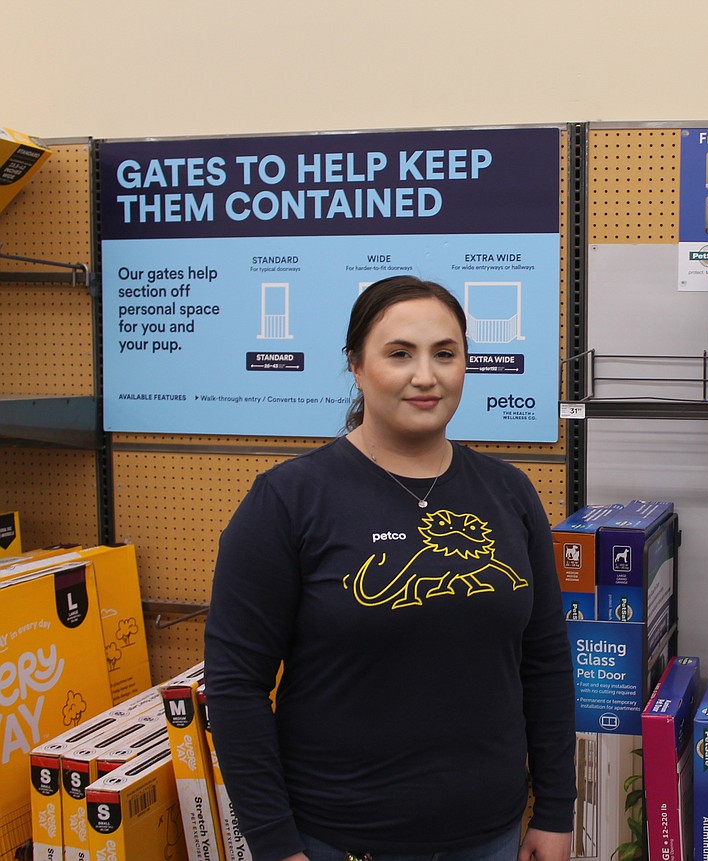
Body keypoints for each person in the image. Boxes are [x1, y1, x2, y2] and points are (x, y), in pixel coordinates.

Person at [204, 276, 576, 861]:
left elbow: (547, 661)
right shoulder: (287, 501)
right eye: (399, 353)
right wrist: (276, 845)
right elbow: (235, 687)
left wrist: (555, 810)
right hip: (335, 840)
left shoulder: (510, 493)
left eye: (445, 354)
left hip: (492, 835)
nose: (425, 376)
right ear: (355, 364)